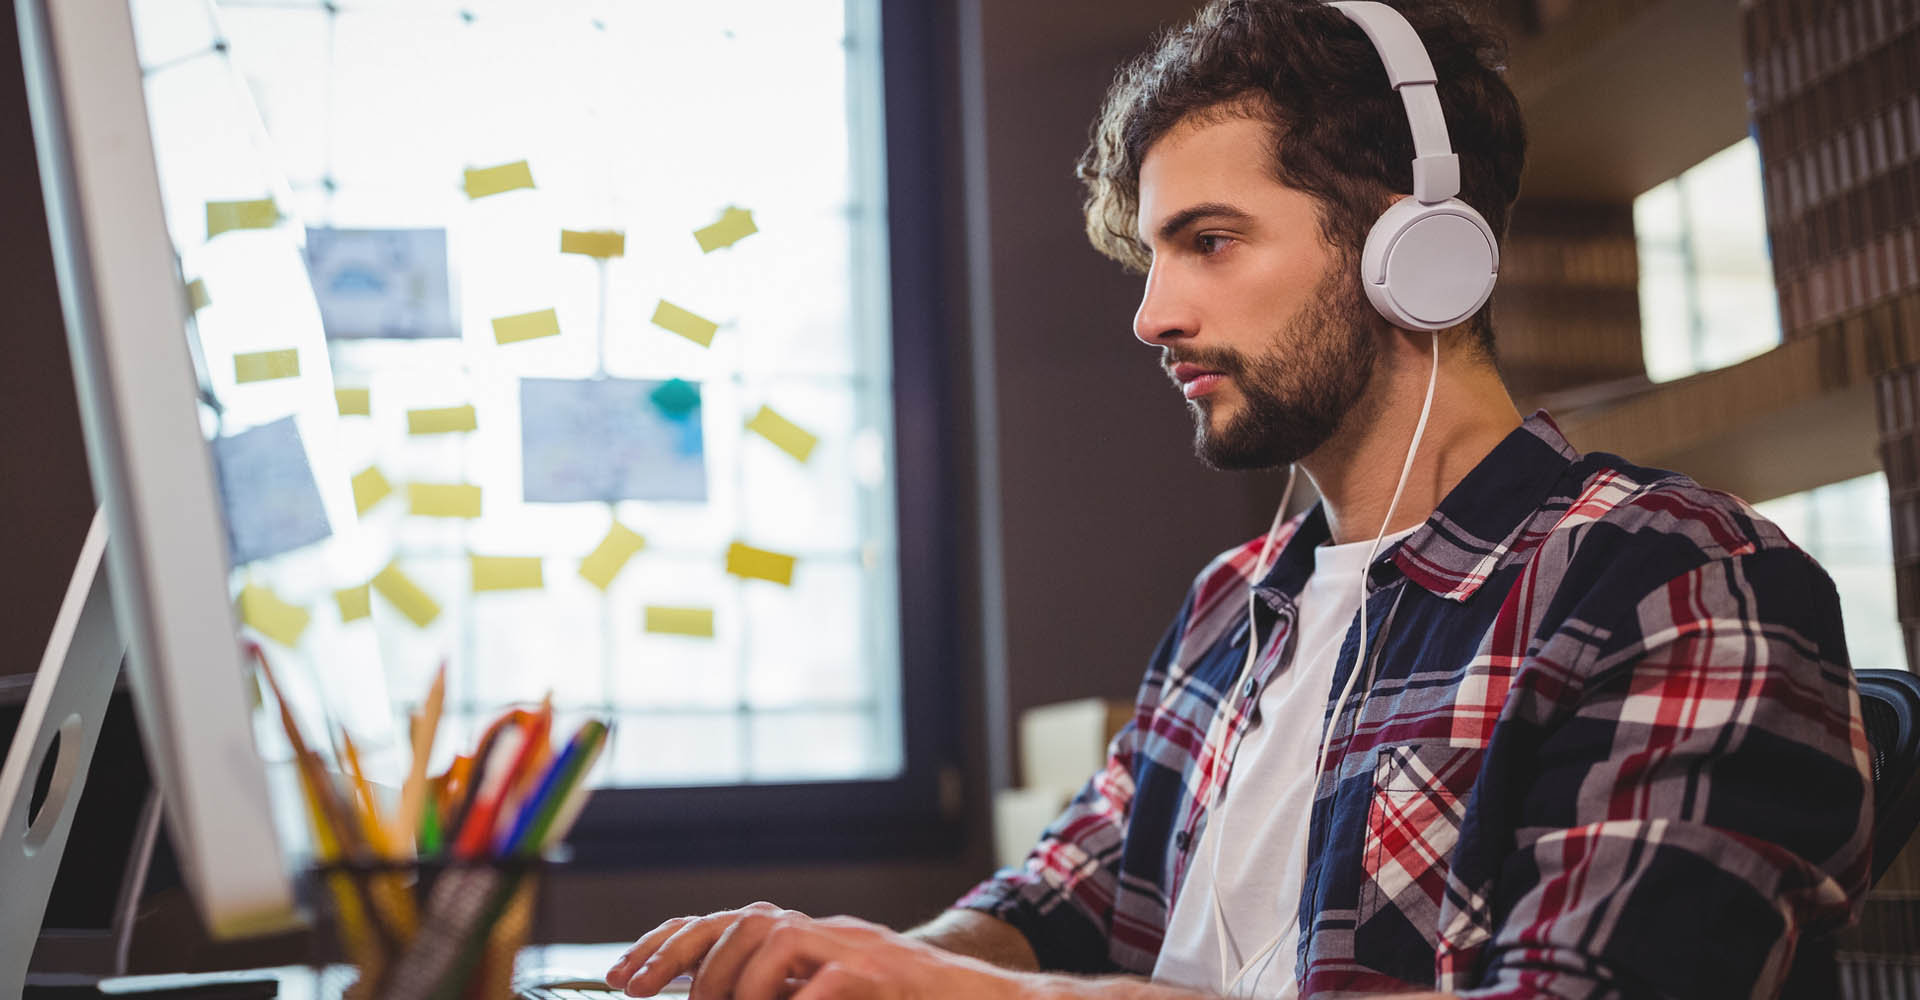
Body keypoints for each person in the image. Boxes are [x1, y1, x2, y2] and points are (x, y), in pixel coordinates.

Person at [603, 0, 1874, 997]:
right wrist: (849, 962)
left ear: (1411, 244)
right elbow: (1059, 902)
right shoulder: (1234, 606)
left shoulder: (1674, 579)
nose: (1152, 315)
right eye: (1153, 255)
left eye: (1209, 242)